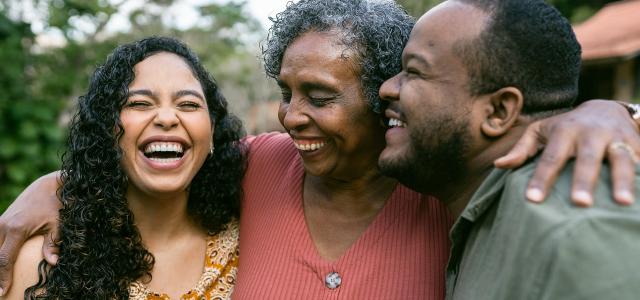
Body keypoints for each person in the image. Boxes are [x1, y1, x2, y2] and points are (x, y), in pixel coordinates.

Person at [1, 0, 640, 299]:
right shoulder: (261, 164)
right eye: (285, 91)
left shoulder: (443, 194)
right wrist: (49, 187)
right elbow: (167, 153)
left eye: (320, 96)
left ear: (384, 99)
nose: (291, 115)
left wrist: (608, 111)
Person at [378, 0, 640, 299]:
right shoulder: (481, 214)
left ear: (499, 111)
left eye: (414, 72)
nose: (387, 88)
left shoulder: (576, 233)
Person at [1, 37, 245, 299]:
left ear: (212, 132)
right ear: (107, 129)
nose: (166, 118)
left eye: (189, 104)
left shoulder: (253, 241)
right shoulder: (46, 261)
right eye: (139, 103)